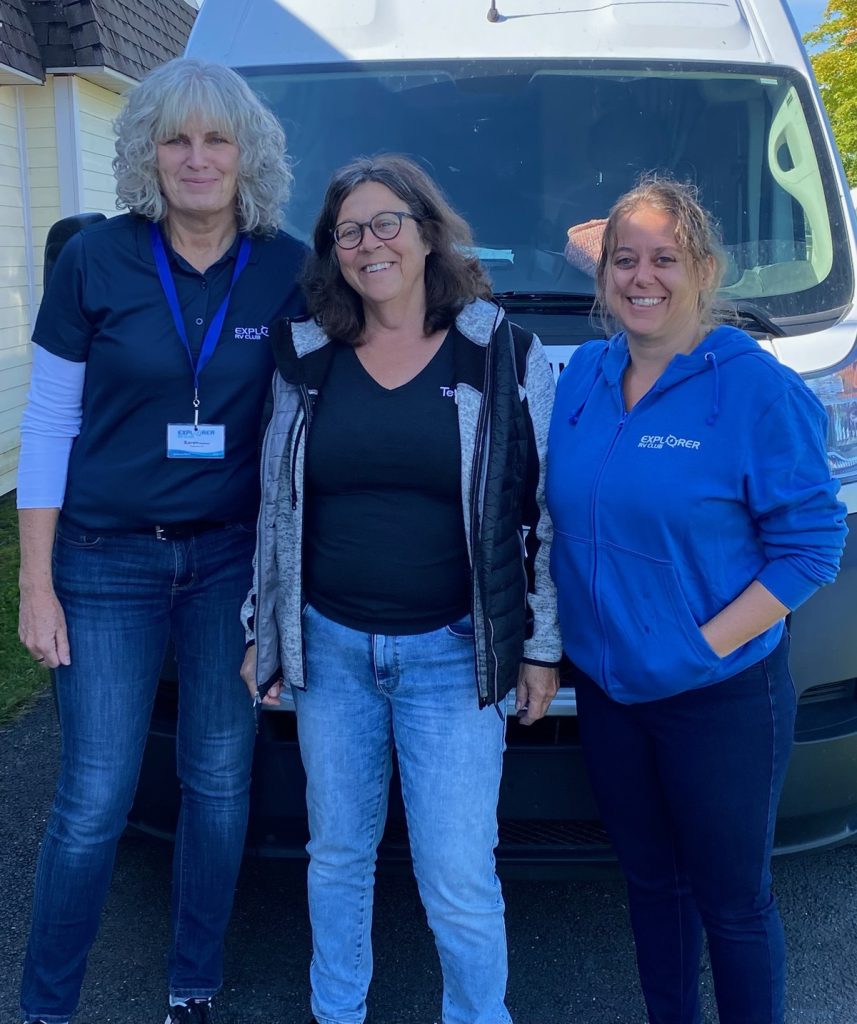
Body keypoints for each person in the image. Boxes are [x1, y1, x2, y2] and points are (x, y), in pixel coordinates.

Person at [240, 153, 562, 1024]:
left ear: (427, 233)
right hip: (329, 650)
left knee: (456, 873)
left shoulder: (503, 352)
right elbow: (272, 502)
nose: (368, 243)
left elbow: (543, 511)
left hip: (455, 656)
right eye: (348, 230)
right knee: (337, 856)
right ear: (331, 250)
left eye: (387, 223)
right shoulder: (303, 353)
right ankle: (336, 1013)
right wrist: (259, 628)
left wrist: (539, 646)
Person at [17, 58, 306, 1024]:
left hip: (228, 562)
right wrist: (36, 582)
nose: (196, 158)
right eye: (175, 139)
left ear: (247, 153)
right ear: (146, 151)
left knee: (220, 783)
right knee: (95, 796)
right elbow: (51, 425)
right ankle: (47, 1005)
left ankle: (193, 987)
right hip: (102, 563)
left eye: (216, 138)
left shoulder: (285, 267)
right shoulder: (94, 259)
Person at [546, 176, 848, 1024]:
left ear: (705, 269)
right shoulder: (584, 379)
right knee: (650, 886)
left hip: (718, 698)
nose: (643, 278)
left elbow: (811, 545)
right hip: (611, 697)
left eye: (665, 259)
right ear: (603, 276)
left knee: (732, 902)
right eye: (624, 260)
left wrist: (699, 647)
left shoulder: (752, 388)